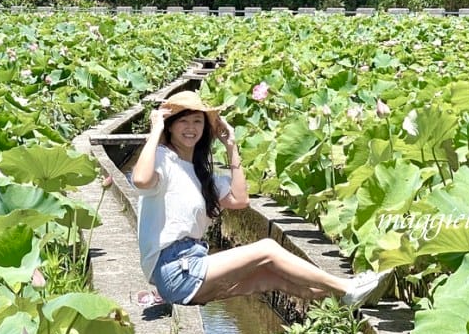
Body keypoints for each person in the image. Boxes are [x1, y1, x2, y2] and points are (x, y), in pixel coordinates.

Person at [132, 90, 392, 307]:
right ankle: (347, 286)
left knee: (268, 277)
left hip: (191, 264)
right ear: (171, 125)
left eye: (198, 122)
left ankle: (345, 299)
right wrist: (155, 131)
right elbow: (141, 181)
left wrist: (231, 147)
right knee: (266, 249)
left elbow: (240, 200)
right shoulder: (164, 159)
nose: (191, 128)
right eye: (183, 121)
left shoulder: (200, 173)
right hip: (175, 268)